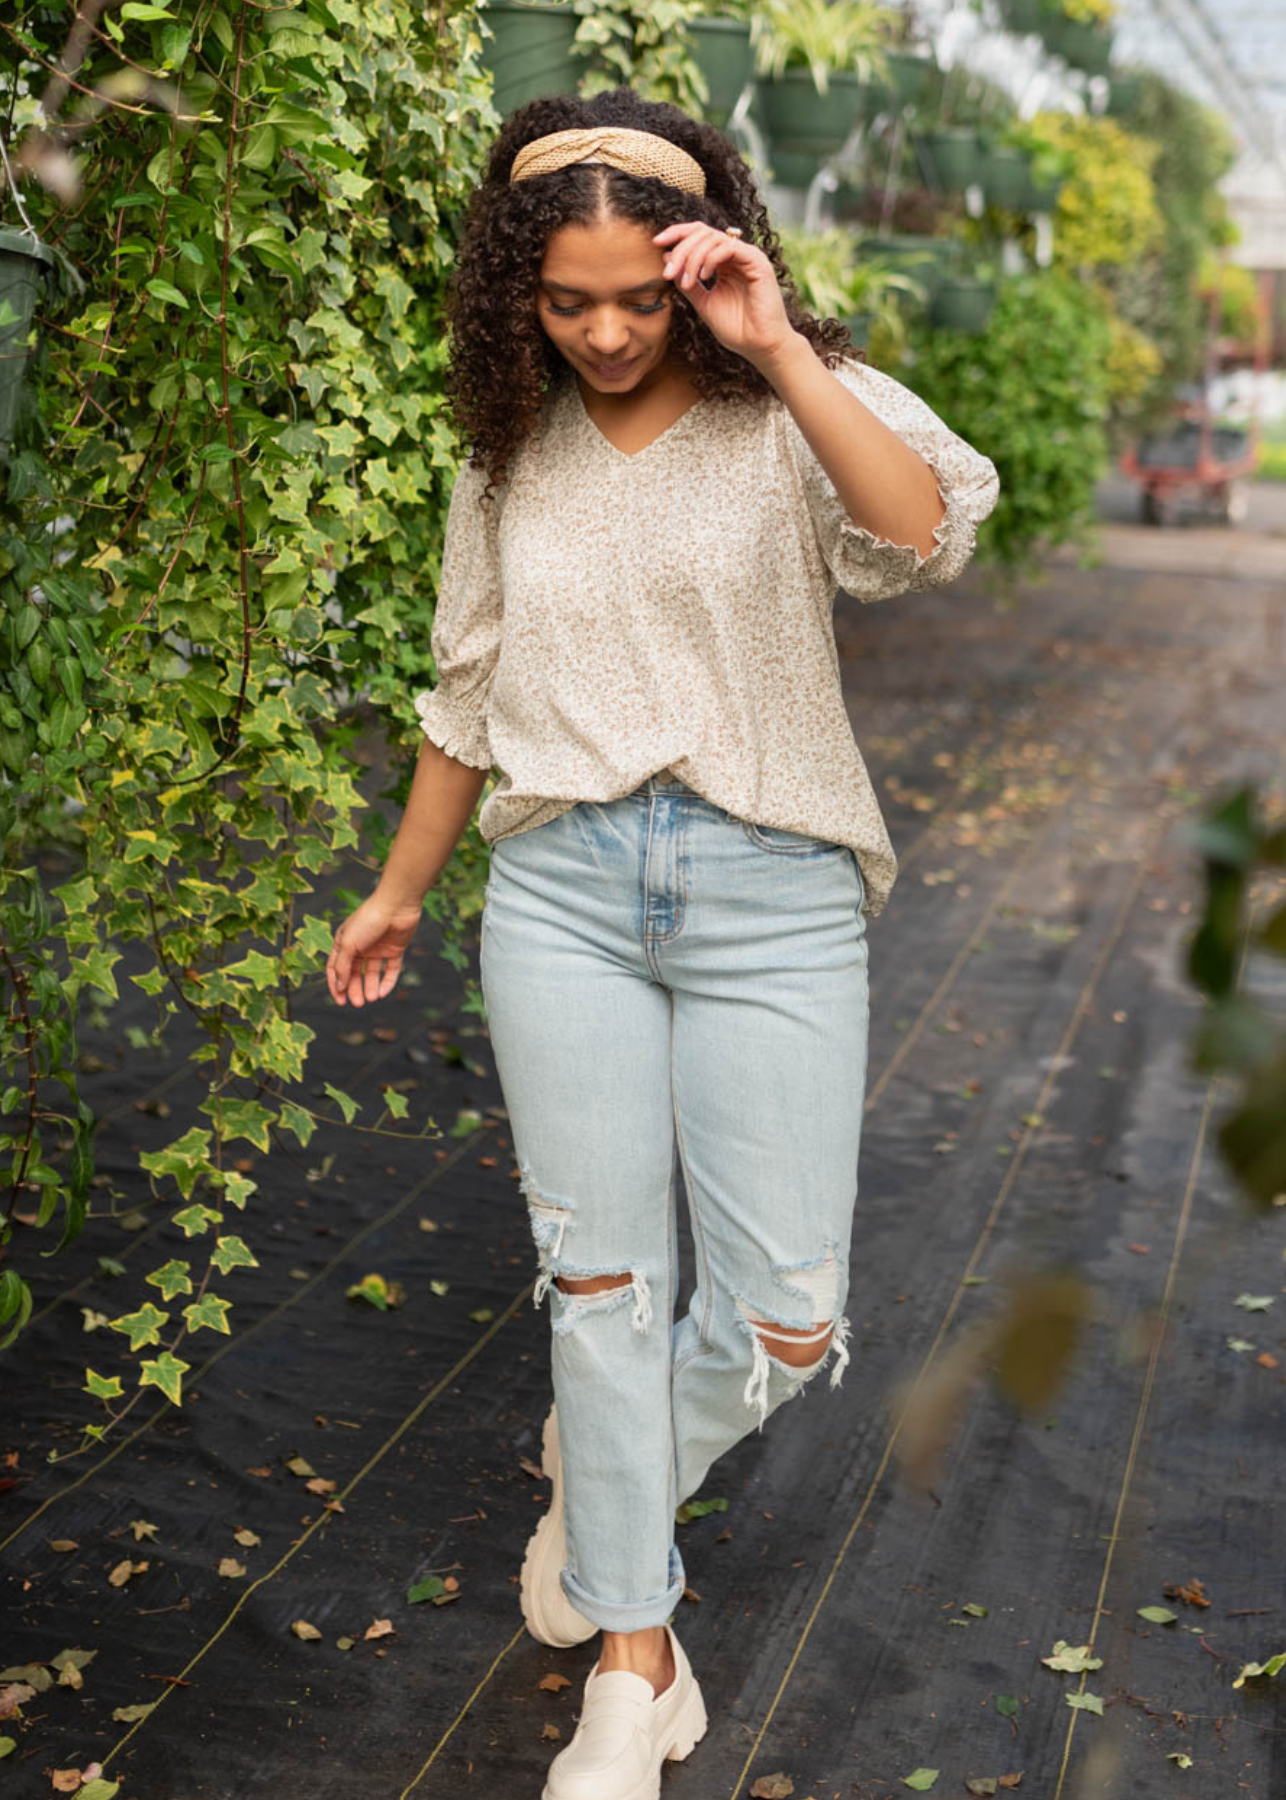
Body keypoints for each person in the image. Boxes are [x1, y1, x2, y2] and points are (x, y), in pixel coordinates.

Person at [326, 85, 999, 1800]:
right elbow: (463, 689)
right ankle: (634, 1666)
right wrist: (402, 888)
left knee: (783, 1318)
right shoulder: (509, 448)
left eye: (642, 294)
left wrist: (771, 349)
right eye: (569, 300)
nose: (611, 331)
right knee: (601, 1287)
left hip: (768, 890)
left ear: (709, 262)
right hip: (557, 890)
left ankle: (606, 1476)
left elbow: (917, 535)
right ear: (516, 292)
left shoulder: (785, 401)